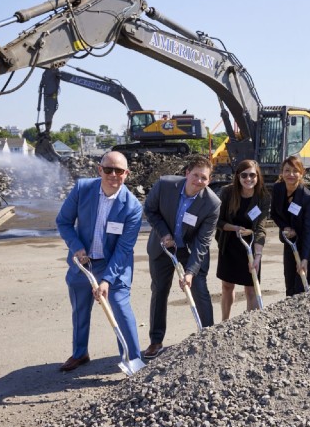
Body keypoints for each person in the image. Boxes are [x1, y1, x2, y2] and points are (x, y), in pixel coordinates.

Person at [55, 151, 142, 372]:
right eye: (108, 169)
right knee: (80, 310)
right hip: (82, 264)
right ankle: (80, 353)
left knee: (120, 308)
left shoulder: (132, 207)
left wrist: (107, 280)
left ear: (126, 174)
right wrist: (77, 248)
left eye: (119, 171)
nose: (113, 175)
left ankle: (132, 358)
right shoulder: (82, 189)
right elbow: (63, 222)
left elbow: (124, 249)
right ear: (99, 169)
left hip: (114, 263)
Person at [142, 155, 220, 358]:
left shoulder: (212, 204)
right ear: (187, 173)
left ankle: (208, 337)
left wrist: (191, 271)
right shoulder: (165, 185)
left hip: (189, 249)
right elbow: (149, 210)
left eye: (204, 178)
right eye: (195, 175)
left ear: (209, 180)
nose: (199, 181)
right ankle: (156, 341)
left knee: (199, 289)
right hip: (162, 248)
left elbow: (203, 241)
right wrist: (164, 233)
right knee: (159, 291)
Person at [216, 159, 270, 318]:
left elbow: (260, 228)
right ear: (238, 176)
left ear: (258, 176)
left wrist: (258, 256)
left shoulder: (263, 197)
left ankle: (249, 325)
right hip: (229, 244)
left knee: (251, 287)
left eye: (252, 175)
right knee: (227, 286)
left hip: (250, 246)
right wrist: (235, 229)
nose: (248, 179)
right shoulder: (227, 192)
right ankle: (225, 322)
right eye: (244, 175)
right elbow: (217, 221)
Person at [270, 155, 310, 296]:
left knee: (300, 287)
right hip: (289, 242)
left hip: (306, 245)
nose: (291, 174)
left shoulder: (307, 197)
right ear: (282, 173)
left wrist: (305, 258)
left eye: (295, 171)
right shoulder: (278, 189)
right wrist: (285, 227)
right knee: (289, 284)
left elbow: (309, 229)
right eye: (287, 170)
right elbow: (275, 214)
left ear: (302, 173)